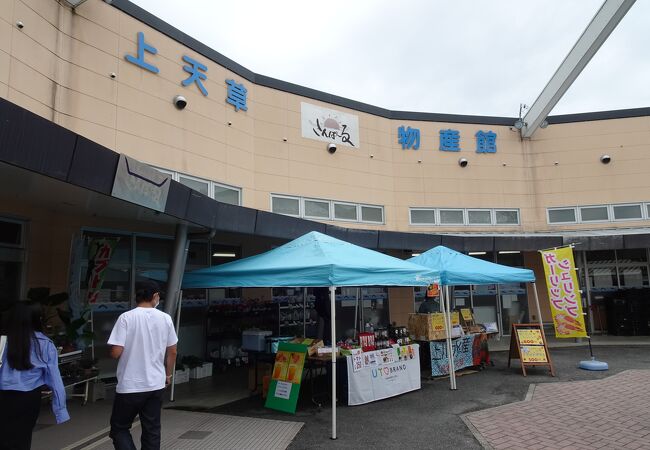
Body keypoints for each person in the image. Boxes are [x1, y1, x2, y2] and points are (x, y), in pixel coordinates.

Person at [108, 281, 178, 450]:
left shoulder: (126, 317)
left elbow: (116, 352)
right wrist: (167, 375)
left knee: (119, 428)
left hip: (130, 385)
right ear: (155, 296)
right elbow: (173, 352)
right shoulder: (165, 318)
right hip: (155, 384)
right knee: (152, 430)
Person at [0, 302, 70, 450]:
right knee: (22, 439)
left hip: (3, 396)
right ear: (36, 319)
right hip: (28, 400)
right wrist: (60, 410)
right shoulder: (44, 344)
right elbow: (55, 380)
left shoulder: (3, 341)